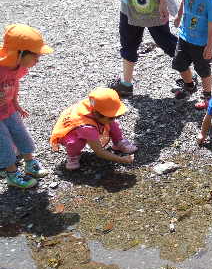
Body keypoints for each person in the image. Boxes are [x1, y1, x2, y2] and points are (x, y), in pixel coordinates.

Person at [0, 24, 51, 189]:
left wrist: (15, 103)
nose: (38, 60)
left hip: (9, 110)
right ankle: (12, 174)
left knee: (21, 134)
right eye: (36, 56)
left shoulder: (18, 67)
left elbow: (14, 84)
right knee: (4, 142)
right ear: (20, 53)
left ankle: (30, 164)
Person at [50, 88, 137, 171]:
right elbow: (99, 152)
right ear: (97, 115)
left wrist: (110, 120)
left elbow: (109, 118)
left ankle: (118, 142)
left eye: (117, 116)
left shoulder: (96, 104)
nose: (114, 119)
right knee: (75, 143)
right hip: (68, 131)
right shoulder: (87, 127)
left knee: (113, 124)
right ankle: (73, 156)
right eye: (111, 117)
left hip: (84, 121)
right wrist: (121, 159)